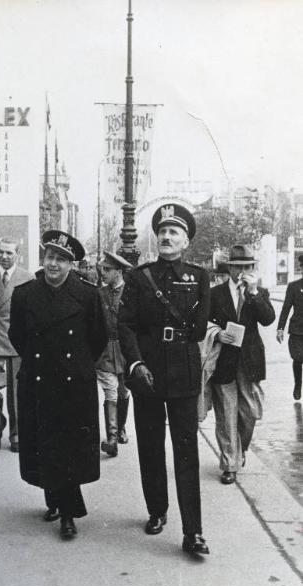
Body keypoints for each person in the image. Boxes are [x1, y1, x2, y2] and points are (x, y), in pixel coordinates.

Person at [118, 202, 210, 556]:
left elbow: (200, 327)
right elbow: (125, 325)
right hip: (148, 372)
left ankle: (193, 532)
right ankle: (157, 510)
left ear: (186, 242)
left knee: (187, 452)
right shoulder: (139, 278)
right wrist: (136, 363)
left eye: (174, 232)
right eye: (163, 232)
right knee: (151, 447)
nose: (167, 237)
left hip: (184, 372)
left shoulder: (199, 277)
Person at [8, 230, 107, 540]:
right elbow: (18, 337)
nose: (53, 264)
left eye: (61, 259)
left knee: (67, 448)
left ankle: (67, 513)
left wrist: (74, 365)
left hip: (72, 382)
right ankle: (55, 499)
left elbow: (98, 338)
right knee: (44, 444)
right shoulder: (24, 295)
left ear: (71, 264)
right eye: (50, 257)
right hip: (38, 378)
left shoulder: (88, 295)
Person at [209, 244, 275, 485]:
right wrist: (216, 333)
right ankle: (230, 464)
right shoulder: (215, 294)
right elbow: (203, 322)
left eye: (246, 267)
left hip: (250, 362)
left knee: (249, 413)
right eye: (237, 267)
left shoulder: (259, 292)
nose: (242, 272)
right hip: (223, 361)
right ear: (229, 269)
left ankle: (240, 450)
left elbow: (268, 319)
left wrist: (255, 293)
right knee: (226, 415)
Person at [0, 238, 33, 453]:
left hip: (17, 338)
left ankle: (16, 433)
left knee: (17, 391)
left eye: (9, 253)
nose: (4, 256)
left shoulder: (27, 278)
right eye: (1, 252)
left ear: (17, 254)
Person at [96, 251, 132, 457]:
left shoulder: (129, 293)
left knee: (123, 392)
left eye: (107, 270)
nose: (103, 273)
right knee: (110, 390)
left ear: (119, 272)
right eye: (102, 269)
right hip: (105, 350)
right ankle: (111, 438)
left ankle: (120, 428)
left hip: (125, 349)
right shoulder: (99, 293)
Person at [277, 254, 303, 401]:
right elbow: (286, 309)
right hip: (298, 330)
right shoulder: (294, 287)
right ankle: (298, 384)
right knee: (298, 358)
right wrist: (280, 328)